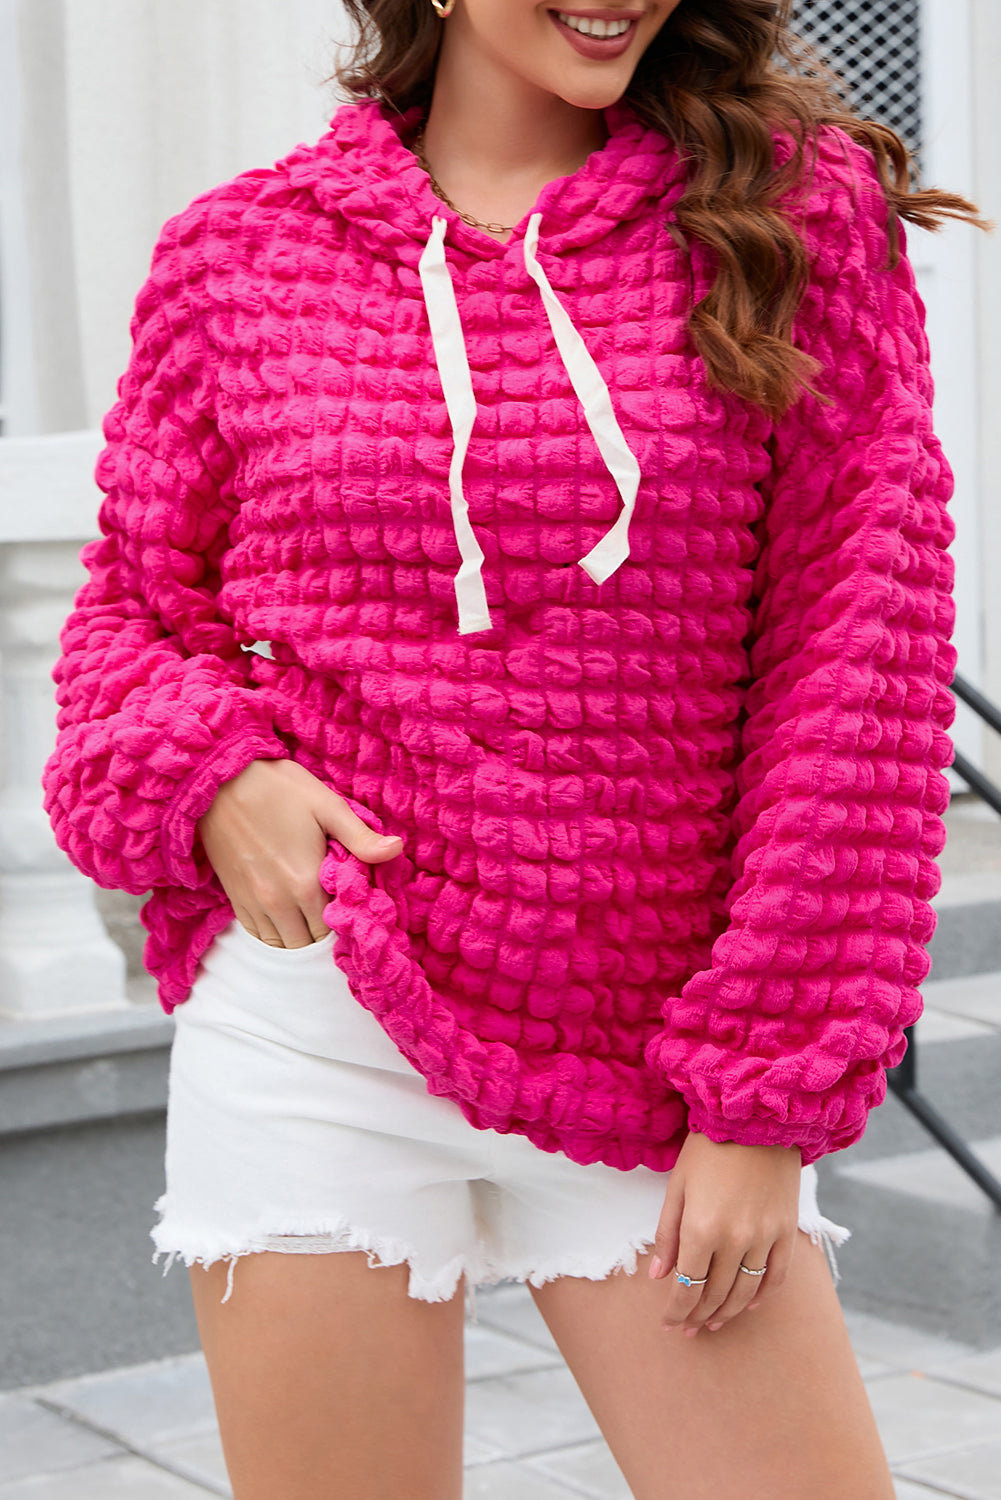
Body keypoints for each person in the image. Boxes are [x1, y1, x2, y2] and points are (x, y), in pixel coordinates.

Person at [43, 0, 988, 1496]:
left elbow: (857, 679)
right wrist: (210, 777)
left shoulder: (791, 225)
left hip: (659, 1063)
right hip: (311, 1023)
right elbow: (128, 620)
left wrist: (763, 1092)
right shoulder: (237, 255)